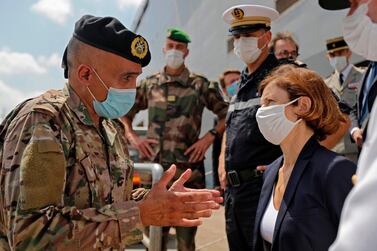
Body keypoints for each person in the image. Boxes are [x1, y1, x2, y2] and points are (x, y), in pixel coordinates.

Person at [0, 15, 222, 250]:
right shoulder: (42, 122)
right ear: (85, 75)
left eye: (135, 77)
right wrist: (139, 215)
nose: (132, 89)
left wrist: (151, 200)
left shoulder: (109, 126)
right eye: (126, 77)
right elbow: (31, 237)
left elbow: (110, 200)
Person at [122, 28, 228, 251]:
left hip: (187, 176)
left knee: (185, 243)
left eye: (179, 47)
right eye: (170, 46)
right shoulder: (149, 84)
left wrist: (208, 138)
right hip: (153, 179)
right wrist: (132, 136)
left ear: (186, 52)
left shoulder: (200, 85)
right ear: (163, 48)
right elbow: (124, 112)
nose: (174, 51)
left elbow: (227, 114)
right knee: (154, 241)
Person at [253, 64, 356, 251]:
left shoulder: (335, 170)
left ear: (302, 106)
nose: (261, 112)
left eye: (270, 102)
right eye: (261, 104)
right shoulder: (271, 172)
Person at [220, 5, 297, 250]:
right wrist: (223, 160)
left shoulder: (286, 75)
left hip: (267, 190)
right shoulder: (239, 83)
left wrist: (293, 168)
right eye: (237, 37)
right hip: (234, 196)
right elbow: (231, 127)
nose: (241, 43)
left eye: (248, 36)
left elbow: (335, 120)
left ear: (266, 37)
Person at [318, 0, 377, 250]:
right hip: (336, 152)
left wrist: (354, 131)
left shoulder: (362, 74)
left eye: (356, 2)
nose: (351, 14)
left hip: (355, 151)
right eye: (332, 54)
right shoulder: (327, 81)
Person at [324, 36, 365, 162]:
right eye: (332, 54)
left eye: (340, 52)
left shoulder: (363, 75)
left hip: (363, 143)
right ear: (328, 57)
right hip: (337, 148)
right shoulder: (326, 84)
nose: (336, 57)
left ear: (349, 52)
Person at [212, 69, 240, 190]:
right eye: (232, 82)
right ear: (224, 90)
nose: (237, 83)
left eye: (239, 80)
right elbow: (217, 152)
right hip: (231, 179)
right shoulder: (222, 117)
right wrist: (217, 184)